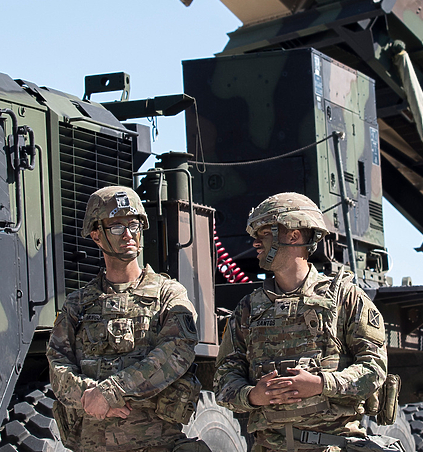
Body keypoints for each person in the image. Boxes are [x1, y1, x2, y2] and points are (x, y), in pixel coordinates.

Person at [214, 192, 390, 452]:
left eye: (262, 234)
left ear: (293, 235)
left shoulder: (345, 298)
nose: (254, 243)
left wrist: (321, 385)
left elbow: (374, 368)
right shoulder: (248, 309)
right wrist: (253, 396)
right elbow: (223, 380)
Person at [47, 185, 208, 452]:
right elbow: (58, 367)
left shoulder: (168, 294)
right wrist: (91, 396)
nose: (129, 235)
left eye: (134, 225)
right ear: (96, 235)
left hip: (156, 444)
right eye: (117, 227)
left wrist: (110, 393)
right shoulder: (77, 304)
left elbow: (175, 354)